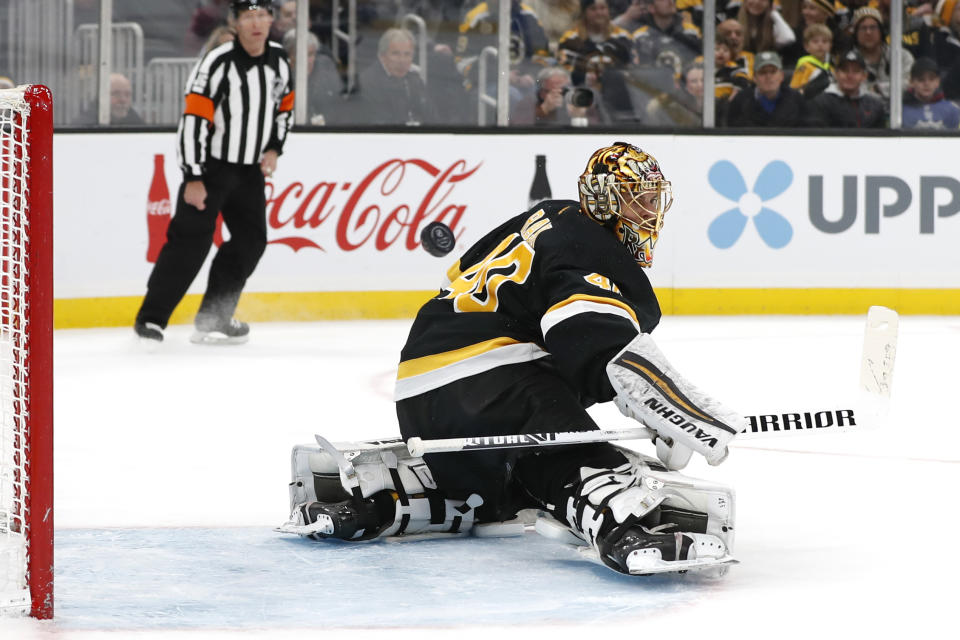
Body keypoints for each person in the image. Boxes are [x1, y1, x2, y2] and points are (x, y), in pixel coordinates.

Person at [281, 142, 741, 578]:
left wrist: (629, 401)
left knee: (492, 489)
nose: (649, 214)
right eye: (637, 201)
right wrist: (684, 414)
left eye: (653, 201)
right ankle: (624, 531)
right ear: (602, 202)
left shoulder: (547, 218)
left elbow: (479, 285)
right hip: (494, 377)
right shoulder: (586, 244)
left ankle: (374, 504)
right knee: (570, 456)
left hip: (422, 390)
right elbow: (595, 341)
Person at [134, 0, 294, 345]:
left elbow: (285, 106)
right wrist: (193, 176)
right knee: (190, 243)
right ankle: (151, 319)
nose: (256, 23)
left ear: (271, 20)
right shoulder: (217, 63)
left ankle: (214, 315)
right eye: (248, 16)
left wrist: (274, 147)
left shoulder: (279, 59)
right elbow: (194, 121)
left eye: (262, 15)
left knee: (252, 241)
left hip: (249, 169)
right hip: (210, 168)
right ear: (234, 22)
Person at [558, 0, 638, 121]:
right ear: (584, 12)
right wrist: (585, 77)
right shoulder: (571, 39)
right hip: (584, 97)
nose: (599, 13)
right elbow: (565, 75)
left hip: (620, 98)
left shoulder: (623, 38)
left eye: (602, 8)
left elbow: (635, 70)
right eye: (593, 9)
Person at [354, 28, 436, 126]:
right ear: (382, 56)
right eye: (395, 54)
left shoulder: (415, 79)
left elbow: (432, 117)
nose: (402, 60)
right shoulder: (367, 83)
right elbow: (378, 123)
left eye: (407, 54)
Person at [725, 50, 809, 126]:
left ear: (782, 76)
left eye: (773, 72)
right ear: (754, 77)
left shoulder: (796, 99)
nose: (768, 76)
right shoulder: (740, 101)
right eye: (762, 72)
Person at [809, 48, 886, 127]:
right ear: (836, 74)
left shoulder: (875, 106)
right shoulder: (820, 103)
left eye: (856, 71)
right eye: (845, 70)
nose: (850, 76)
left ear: (864, 76)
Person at [282, 28, 344, 125]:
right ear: (289, 55)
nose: (308, 60)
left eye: (311, 54)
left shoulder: (326, 66)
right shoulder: (281, 74)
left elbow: (338, 101)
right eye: (301, 55)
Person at [851, 7, 914, 100]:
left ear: (881, 31)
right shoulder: (849, 61)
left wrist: (878, 88)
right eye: (863, 28)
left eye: (873, 27)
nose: (868, 32)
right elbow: (852, 91)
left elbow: (911, 84)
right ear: (856, 33)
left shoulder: (901, 56)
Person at [510, 66, 601, 125]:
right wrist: (543, 110)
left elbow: (601, 125)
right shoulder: (530, 101)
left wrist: (580, 116)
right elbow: (517, 126)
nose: (559, 95)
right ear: (542, 92)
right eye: (553, 91)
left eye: (563, 91)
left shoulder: (577, 99)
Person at [633, 0, 703, 68]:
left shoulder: (690, 32)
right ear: (652, 8)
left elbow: (701, 60)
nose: (671, 1)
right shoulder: (641, 36)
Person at [902, 56, 960, 128]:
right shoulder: (901, 110)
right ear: (911, 82)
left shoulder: (953, 110)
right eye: (921, 79)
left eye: (931, 79)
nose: (927, 84)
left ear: (938, 82)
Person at [645, 60, 705, 125]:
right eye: (694, 81)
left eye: (703, 80)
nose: (700, 85)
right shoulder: (672, 105)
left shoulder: (715, 105)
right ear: (684, 85)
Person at [76, 72, 145, 125]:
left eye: (127, 94)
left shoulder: (136, 122)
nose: (123, 100)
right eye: (115, 94)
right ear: (101, 96)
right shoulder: (84, 126)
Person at [789, 23, 834, 99]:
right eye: (815, 41)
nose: (820, 45)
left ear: (830, 46)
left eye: (825, 41)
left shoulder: (831, 69)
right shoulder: (804, 66)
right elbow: (795, 89)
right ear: (806, 46)